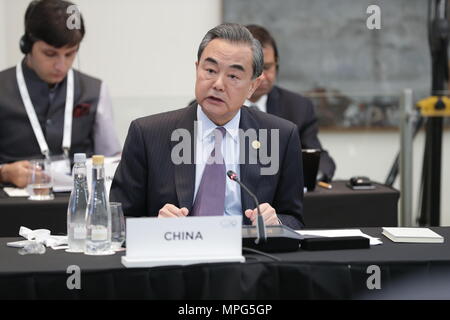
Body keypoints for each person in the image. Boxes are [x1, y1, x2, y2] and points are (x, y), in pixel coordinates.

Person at [110, 23, 304, 229]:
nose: (218, 84)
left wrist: (276, 223)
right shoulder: (148, 134)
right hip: (175, 255)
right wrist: (156, 227)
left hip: (249, 257)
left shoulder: (280, 136)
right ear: (197, 69)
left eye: (233, 76)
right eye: (210, 70)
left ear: (252, 86)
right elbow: (117, 221)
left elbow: (294, 219)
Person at [0, 0, 121, 188]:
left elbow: (112, 161)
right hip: (12, 207)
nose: (61, 65)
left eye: (70, 54)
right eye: (50, 54)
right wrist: (4, 173)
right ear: (26, 45)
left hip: (79, 205)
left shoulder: (95, 90)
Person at [245, 24, 336, 182]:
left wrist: (314, 176)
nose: (263, 77)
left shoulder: (298, 107)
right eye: (255, 68)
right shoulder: (213, 106)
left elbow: (318, 158)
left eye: (267, 67)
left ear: (277, 64)